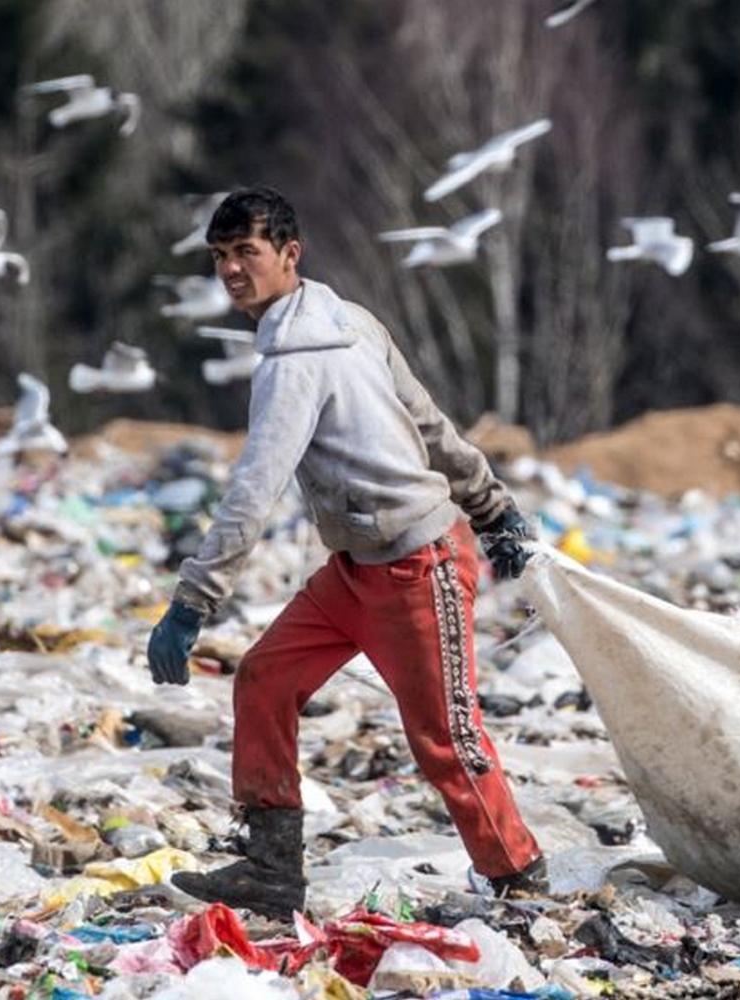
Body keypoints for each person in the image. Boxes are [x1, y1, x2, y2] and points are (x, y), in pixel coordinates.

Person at [146, 187, 545, 918]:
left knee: (445, 740)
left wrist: (192, 601)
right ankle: (271, 867)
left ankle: (520, 878)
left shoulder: (297, 359)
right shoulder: (348, 320)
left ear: (290, 257)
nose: (233, 271)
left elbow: (256, 487)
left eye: (248, 254)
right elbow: (428, 421)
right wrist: (493, 506)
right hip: (355, 572)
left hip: (417, 564)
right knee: (264, 679)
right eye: (221, 257)